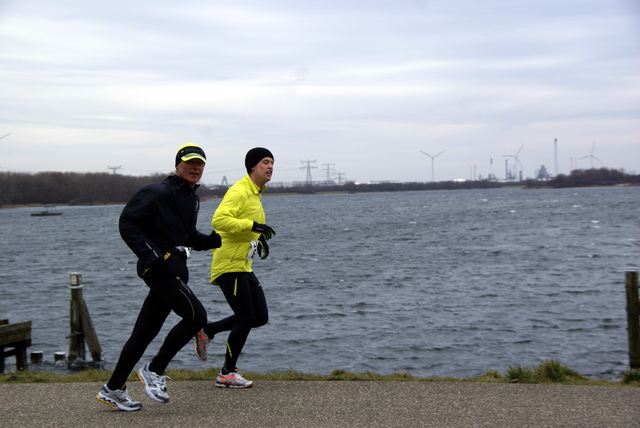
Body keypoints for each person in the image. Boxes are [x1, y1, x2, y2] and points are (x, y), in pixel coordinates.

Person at [96, 143, 222, 411]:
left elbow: (185, 236)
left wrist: (211, 241)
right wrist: (153, 256)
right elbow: (128, 222)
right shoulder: (156, 192)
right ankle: (154, 370)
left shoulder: (191, 198)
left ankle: (113, 388)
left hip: (175, 270)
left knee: (143, 333)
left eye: (200, 164)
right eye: (190, 163)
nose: (195, 168)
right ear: (178, 164)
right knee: (196, 317)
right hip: (159, 269)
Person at [194, 147, 276, 388]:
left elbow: (242, 226)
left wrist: (257, 239)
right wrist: (253, 225)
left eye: (272, 163)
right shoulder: (239, 190)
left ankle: (207, 330)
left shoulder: (255, 194)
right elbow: (219, 220)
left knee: (259, 317)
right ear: (252, 166)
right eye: (265, 162)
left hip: (243, 265)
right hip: (229, 264)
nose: (270, 167)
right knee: (245, 316)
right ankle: (227, 373)